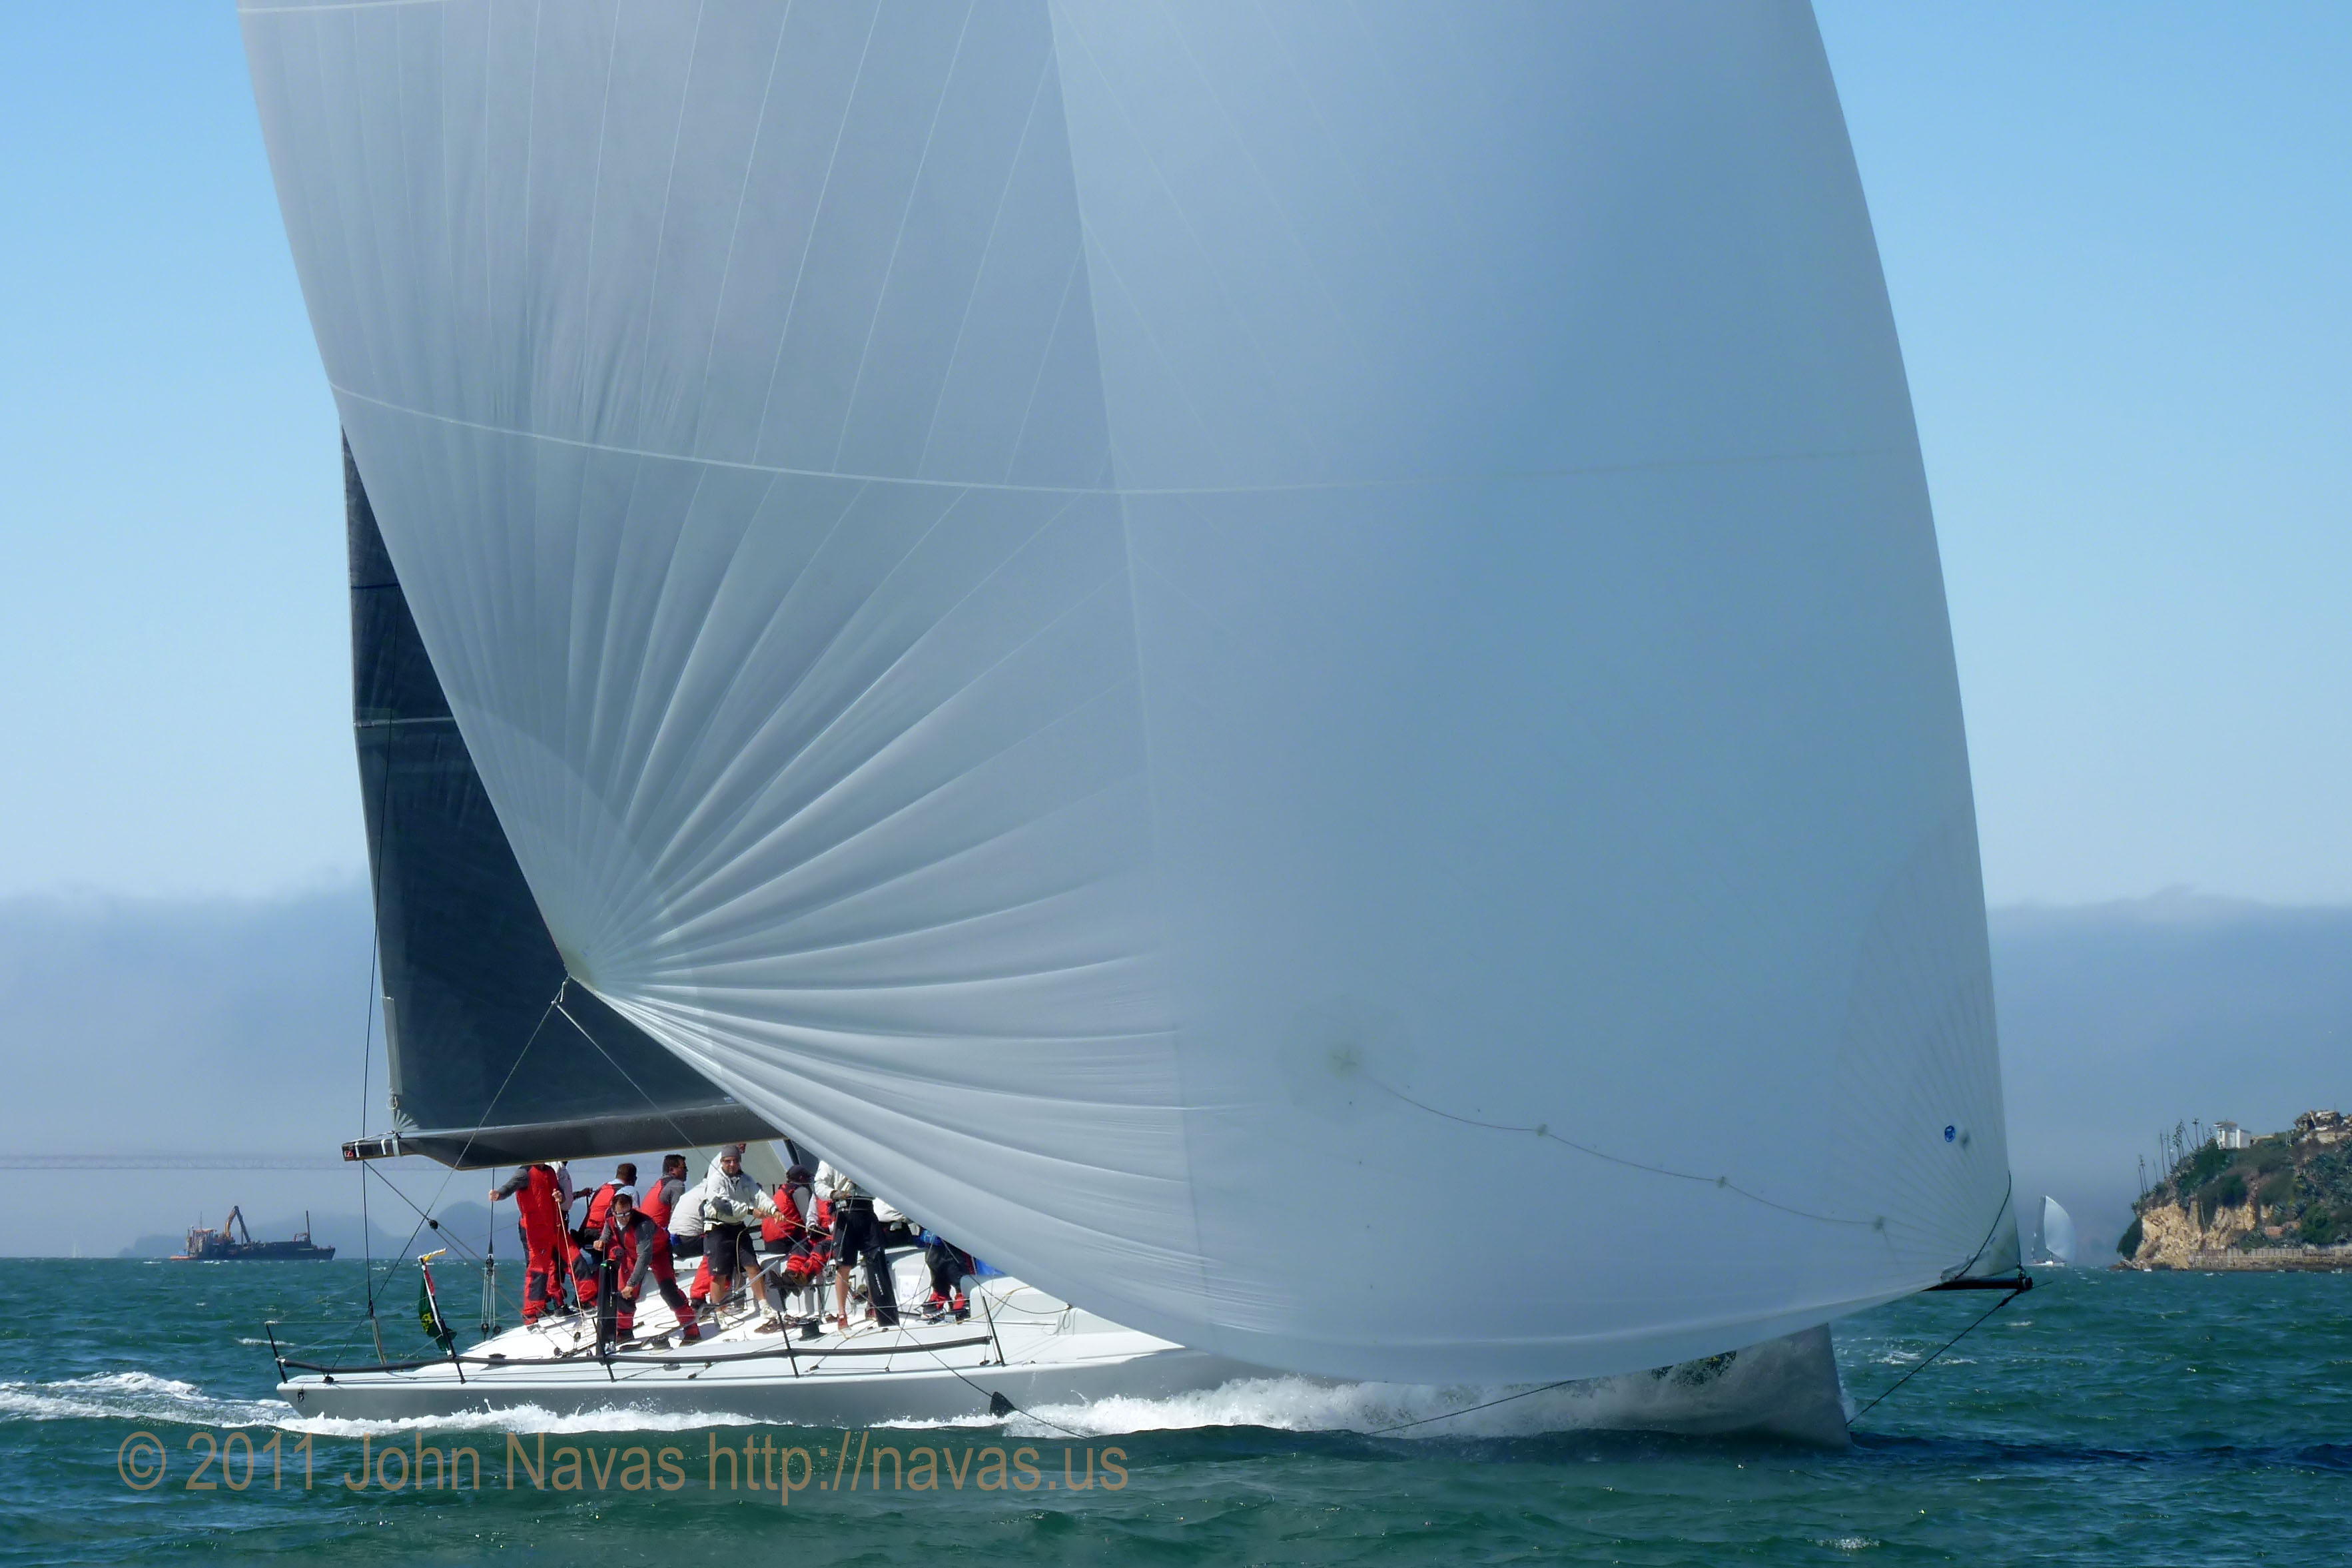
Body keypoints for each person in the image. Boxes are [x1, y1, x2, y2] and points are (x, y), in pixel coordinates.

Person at [675, 1145, 779, 1325]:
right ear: (721, 1162)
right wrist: (750, 1211)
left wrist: (773, 1209)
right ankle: (719, 1312)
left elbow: (758, 1195)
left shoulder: (745, 1179)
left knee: (752, 1266)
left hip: (738, 1227)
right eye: (727, 1161)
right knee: (719, 1274)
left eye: (735, 1161)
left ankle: (764, 1306)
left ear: (739, 1162)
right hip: (718, 1230)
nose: (731, 1164)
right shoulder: (716, 1180)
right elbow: (722, 1204)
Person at [594, 1186, 688, 1344]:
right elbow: (609, 1228)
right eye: (620, 1214)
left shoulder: (643, 1225)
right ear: (613, 1211)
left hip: (658, 1253)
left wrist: (632, 1284)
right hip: (632, 1252)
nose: (624, 1218)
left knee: (668, 1290)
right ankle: (624, 1332)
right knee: (624, 1294)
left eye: (627, 1213)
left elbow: (644, 1258)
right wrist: (603, 1240)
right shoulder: (611, 1216)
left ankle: (690, 1328)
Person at [821, 1160, 899, 1329]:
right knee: (843, 1265)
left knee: (874, 1259)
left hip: (867, 1209)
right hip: (844, 1212)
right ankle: (842, 1313)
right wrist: (833, 1193)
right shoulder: (830, 1158)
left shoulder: (865, 1155)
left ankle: (874, 1306)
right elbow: (819, 1185)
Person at [488, 1163, 569, 1322]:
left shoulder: (550, 1172)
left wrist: (561, 1197)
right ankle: (533, 1312)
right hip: (532, 1229)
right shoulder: (524, 1173)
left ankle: (555, 1304)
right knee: (538, 1268)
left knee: (555, 1265)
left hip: (551, 1227)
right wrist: (499, 1194)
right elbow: (510, 1187)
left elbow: (560, 1194)